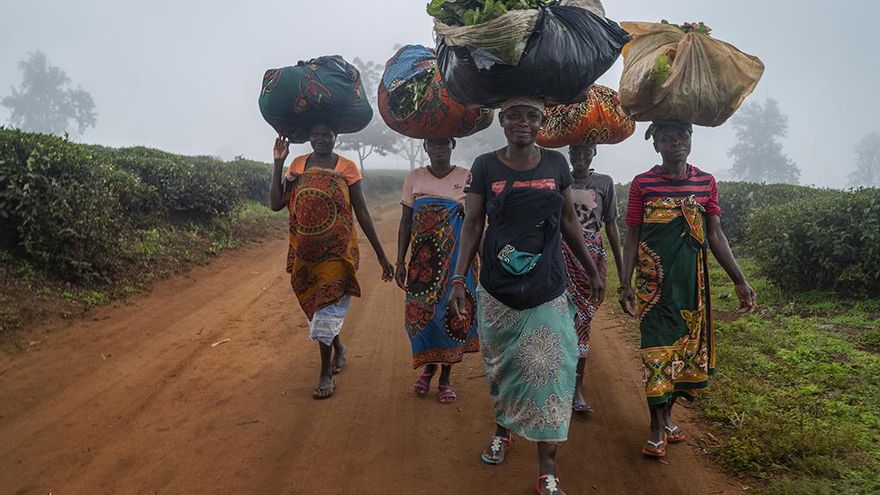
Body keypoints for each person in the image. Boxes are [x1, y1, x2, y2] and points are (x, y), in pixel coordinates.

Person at [448, 98, 605, 495]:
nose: (523, 122)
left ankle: (547, 468)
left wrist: (590, 268)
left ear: (541, 121)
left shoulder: (556, 165)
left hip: (546, 287)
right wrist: (457, 279)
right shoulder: (486, 166)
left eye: (531, 116)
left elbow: (569, 220)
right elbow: (472, 224)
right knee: (504, 369)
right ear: (501, 122)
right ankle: (503, 431)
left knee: (550, 368)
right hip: (498, 288)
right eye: (514, 115)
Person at [618, 121, 757, 458]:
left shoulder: (706, 182)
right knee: (656, 350)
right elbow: (632, 236)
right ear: (656, 145)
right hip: (654, 286)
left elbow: (715, 236)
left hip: (692, 285)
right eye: (666, 138)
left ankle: (667, 415)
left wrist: (740, 279)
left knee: (684, 351)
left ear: (691, 140)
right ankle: (655, 427)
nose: (675, 144)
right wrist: (625, 282)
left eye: (682, 137)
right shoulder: (642, 184)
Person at [270, 123, 394, 400]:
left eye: (326, 134)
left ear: (336, 136)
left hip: (337, 253)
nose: (321, 139)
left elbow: (361, 211)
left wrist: (381, 254)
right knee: (316, 309)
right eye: (315, 134)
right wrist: (278, 163)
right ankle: (338, 347)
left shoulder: (348, 168)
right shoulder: (298, 165)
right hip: (305, 253)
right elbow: (276, 204)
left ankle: (325, 373)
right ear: (309, 138)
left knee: (325, 308)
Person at [395, 137, 479, 404]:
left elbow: (476, 221)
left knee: (452, 315)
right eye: (434, 144)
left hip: (458, 262)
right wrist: (400, 261)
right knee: (421, 315)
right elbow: (406, 221)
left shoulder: (467, 177)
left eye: (444, 144)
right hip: (422, 264)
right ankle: (428, 367)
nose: (439, 149)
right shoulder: (415, 178)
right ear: (425, 147)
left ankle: (444, 377)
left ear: (452, 145)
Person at [563, 143, 624, 416]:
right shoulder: (559, 179)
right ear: (568, 155)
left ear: (594, 154)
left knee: (583, 321)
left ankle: (577, 388)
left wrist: (623, 272)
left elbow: (610, 224)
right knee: (559, 322)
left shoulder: (604, 183)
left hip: (593, 259)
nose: (580, 158)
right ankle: (558, 383)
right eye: (575, 153)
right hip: (561, 256)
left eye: (586, 152)